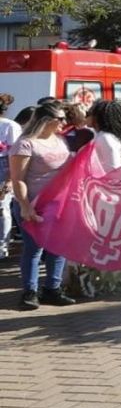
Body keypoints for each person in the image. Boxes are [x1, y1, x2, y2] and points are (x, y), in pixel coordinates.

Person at [10, 102, 75, 309]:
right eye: (61, 118)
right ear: (46, 120)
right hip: (34, 204)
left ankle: (52, 290)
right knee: (33, 249)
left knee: (59, 248)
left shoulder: (59, 140)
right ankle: (30, 292)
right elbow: (18, 178)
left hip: (59, 205)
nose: (65, 122)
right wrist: (25, 206)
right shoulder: (26, 144)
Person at [0, 93, 22, 259]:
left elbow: (15, 154)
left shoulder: (10, 126)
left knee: (2, 208)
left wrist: (9, 179)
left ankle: (2, 247)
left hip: (4, 167)